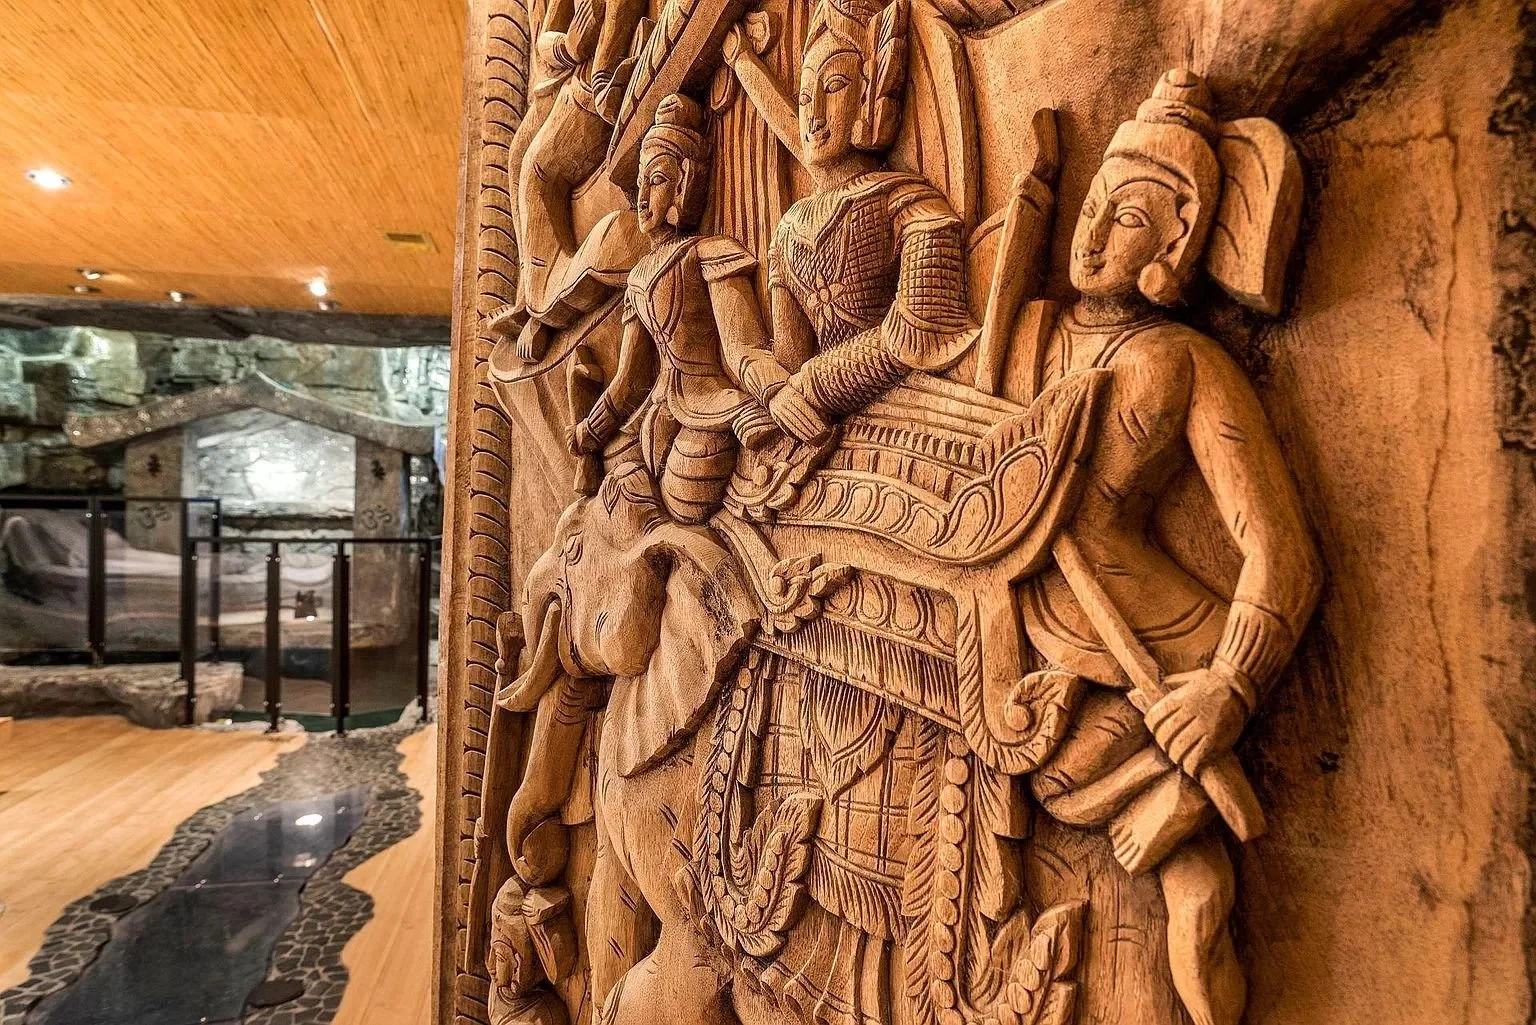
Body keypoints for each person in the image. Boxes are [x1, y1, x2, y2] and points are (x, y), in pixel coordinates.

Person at [1023, 68, 1323, 1025]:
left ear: (1174, 245)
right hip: (1047, 628)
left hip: (1163, 645)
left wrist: (1230, 685)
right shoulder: (1028, 338)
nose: (1091, 233)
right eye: (1093, 206)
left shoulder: (1184, 361)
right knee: (1044, 775)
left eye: (1126, 218)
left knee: (1193, 907)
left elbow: (1281, 548)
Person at [568, 93, 786, 524]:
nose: (642, 197)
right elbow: (629, 380)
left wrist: (770, 397)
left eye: (657, 181)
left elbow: (743, 349)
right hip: (657, 414)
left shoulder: (710, 254)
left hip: (711, 409)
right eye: (640, 185)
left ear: (684, 186)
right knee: (617, 490)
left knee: (682, 508)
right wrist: (588, 433)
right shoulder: (637, 279)